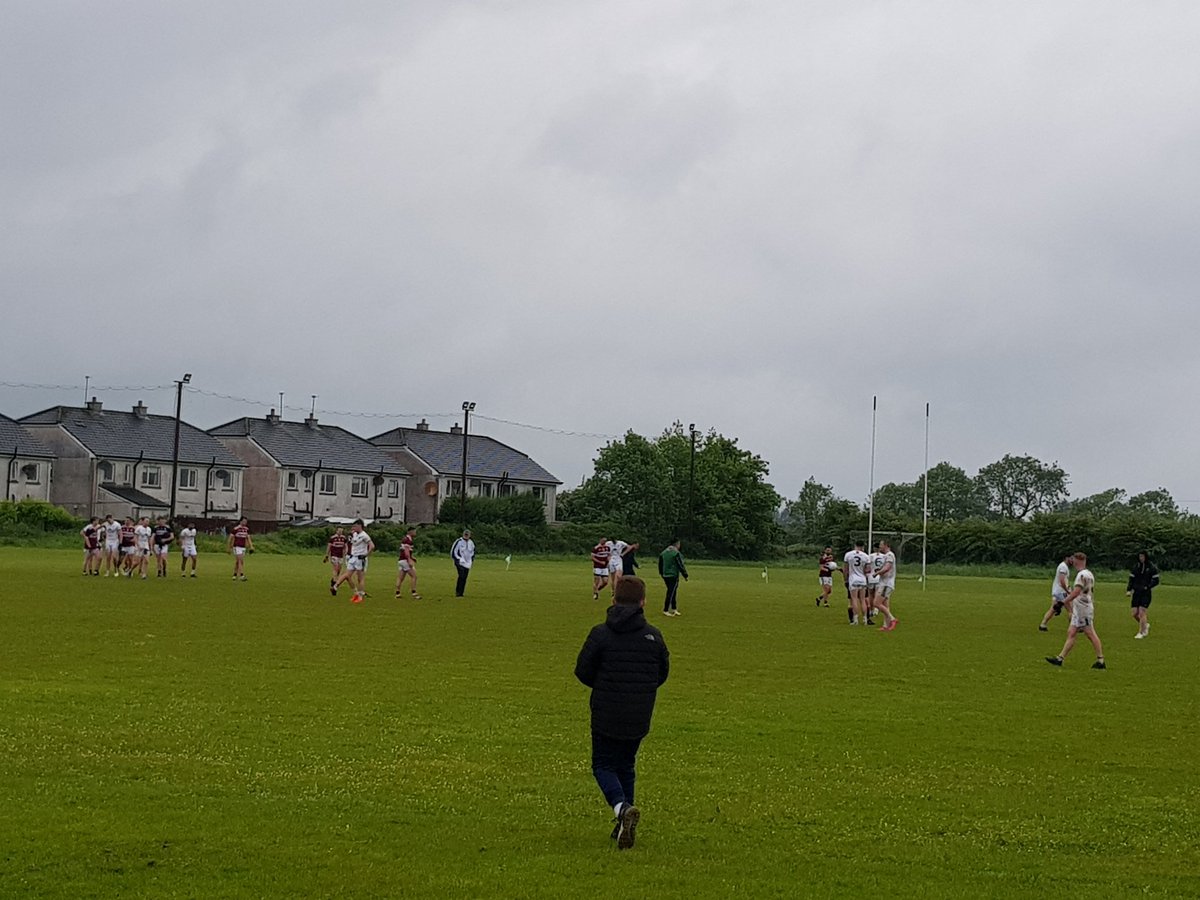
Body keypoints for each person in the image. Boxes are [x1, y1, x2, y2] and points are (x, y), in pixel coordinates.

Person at [574, 576, 670, 850]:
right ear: (643, 602)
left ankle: (621, 808)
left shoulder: (600, 634)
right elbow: (661, 673)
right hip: (639, 712)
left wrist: (606, 686)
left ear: (613, 599)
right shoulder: (653, 636)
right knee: (626, 765)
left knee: (603, 765)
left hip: (606, 710)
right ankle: (623, 824)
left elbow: (583, 671)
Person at [1046, 552, 1106, 670]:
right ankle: (1060, 658)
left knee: (1090, 633)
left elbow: (1076, 592)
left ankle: (1101, 660)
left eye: (1073, 560)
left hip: (1083, 609)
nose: (1072, 563)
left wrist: (1063, 602)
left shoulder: (1081, 575)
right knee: (1071, 632)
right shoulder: (1089, 573)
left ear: (1077, 561)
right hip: (1080, 608)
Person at [333, 519, 374, 603]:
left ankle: (360, 596)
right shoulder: (355, 534)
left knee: (360, 578)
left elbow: (372, 546)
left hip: (360, 558)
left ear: (360, 526)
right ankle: (353, 592)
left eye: (355, 526)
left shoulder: (364, 535)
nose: (353, 528)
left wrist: (366, 554)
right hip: (353, 558)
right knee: (347, 575)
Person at [1127, 551, 1159, 639]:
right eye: (1140, 556)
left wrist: (1147, 587)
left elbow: (1156, 580)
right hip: (1136, 592)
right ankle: (1145, 625)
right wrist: (1129, 589)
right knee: (1134, 613)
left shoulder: (1151, 567)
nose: (1141, 558)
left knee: (1142, 612)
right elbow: (1131, 579)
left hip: (1145, 593)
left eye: (1142, 556)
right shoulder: (1136, 567)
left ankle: (1141, 632)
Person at [1038, 554, 1073, 632]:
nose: (1072, 560)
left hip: (1057, 591)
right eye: (1071, 558)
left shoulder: (1063, 566)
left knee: (1053, 609)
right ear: (1066, 558)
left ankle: (1043, 625)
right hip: (1061, 592)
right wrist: (1068, 591)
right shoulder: (1063, 567)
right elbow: (1062, 581)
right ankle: (1073, 628)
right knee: (1071, 610)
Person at [657, 538, 688, 617]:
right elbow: (680, 564)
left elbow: (660, 564)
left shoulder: (663, 552)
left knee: (673, 591)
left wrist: (661, 573)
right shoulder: (675, 553)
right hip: (673, 575)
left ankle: (674, 608)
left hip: (665, 575)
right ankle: (666, 609)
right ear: (676, 544)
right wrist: (685, 574)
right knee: (671, 592)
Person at [873, 539, 898, 631]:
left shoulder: (889, 555)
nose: (880, 546)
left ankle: (893, 619)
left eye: (881, 545)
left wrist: (877, 573)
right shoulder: (886, 556)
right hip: (884, 582)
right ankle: (886, 626)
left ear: (886, 545)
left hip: (886, 584)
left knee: (876, 603)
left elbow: (887, 568)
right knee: (885, 605)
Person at [843, 541, 870, 625]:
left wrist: (845, 580)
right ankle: (865, 619)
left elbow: (845, 569)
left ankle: (855, 619)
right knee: (862, 600)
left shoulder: (848, 555)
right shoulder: (866, 556)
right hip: (862, 579)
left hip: (853, 579)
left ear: (855, 545)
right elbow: (868, 570)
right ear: (862, 546)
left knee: (854, 599)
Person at [394, 526, 422, 599]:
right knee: (414, 576)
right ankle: (414, 593)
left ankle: (397, 593)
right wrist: (409, 559)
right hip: (405, 561)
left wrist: (412, 557)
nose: (415, 533)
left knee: (400, 577)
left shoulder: (405, 539)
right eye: (414, 531)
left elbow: (405, 550)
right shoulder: (408, 540)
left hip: (401, 560)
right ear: (410, 531)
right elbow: (406, 551)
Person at [451, 529, 475, 597]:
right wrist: (457, 560)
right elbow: (453, 552)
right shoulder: (458, 542)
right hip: (460, 562)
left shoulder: (471, 543)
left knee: (465, 577)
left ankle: (461, 592)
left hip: (467, 563)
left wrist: (471, 560)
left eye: (468, 534)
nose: (466, 536)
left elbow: (473, 552)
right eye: (465, 534)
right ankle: (458, 592)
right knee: (461, 576)